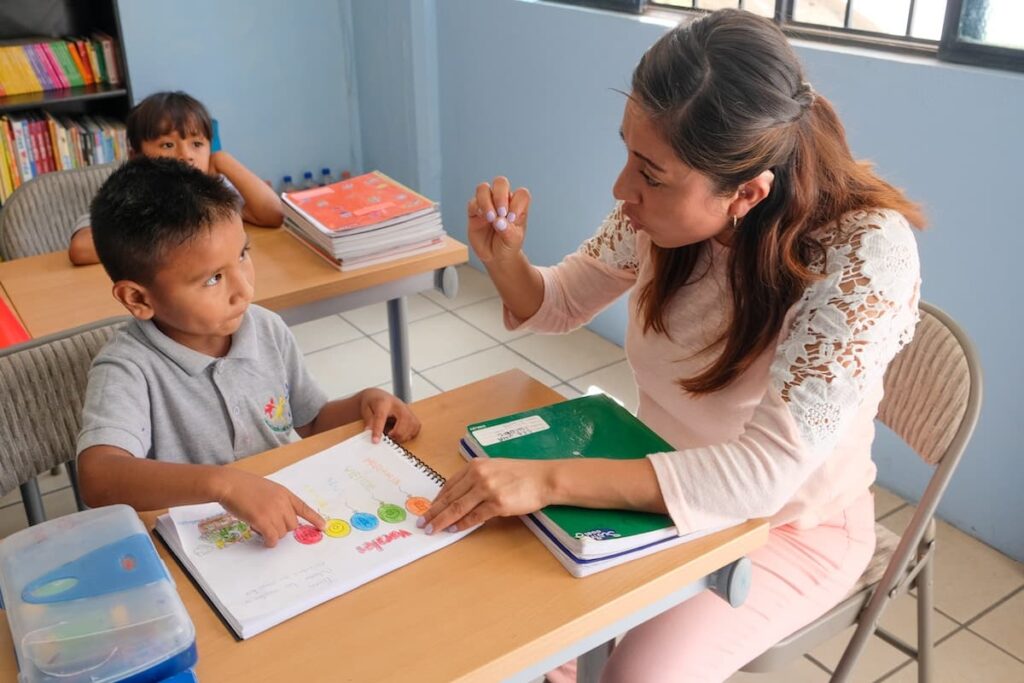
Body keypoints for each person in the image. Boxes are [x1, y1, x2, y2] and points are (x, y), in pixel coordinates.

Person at [420, 9, 924, 682]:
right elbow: (560, 302)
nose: (622, 189)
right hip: (651, 484)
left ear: (746, 192)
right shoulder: (663, 213)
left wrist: (545, 478)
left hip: (787, 526)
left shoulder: (864, 253)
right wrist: (506, 261)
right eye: (628, 152)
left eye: (651, 174)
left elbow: (760, 477)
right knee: (509, 623)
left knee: (631, 674)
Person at [76, 157, 419, 547]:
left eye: (243, 254)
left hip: (286, 523)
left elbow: (311, 420)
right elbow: (98, 477)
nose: (244, 290)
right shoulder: (128, 368)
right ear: (137, 298)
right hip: (199, 545)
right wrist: (224, 484)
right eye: (213, 278)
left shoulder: (266, 328)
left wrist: (362, 404)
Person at [68, 90, 283, 265]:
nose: (186, 155)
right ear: (137, 157)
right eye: (167, 145)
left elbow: (272, 214)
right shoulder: (129, 196)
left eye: (197, 144)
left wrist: (223, 159)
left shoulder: (214, 191)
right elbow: (81, 249)